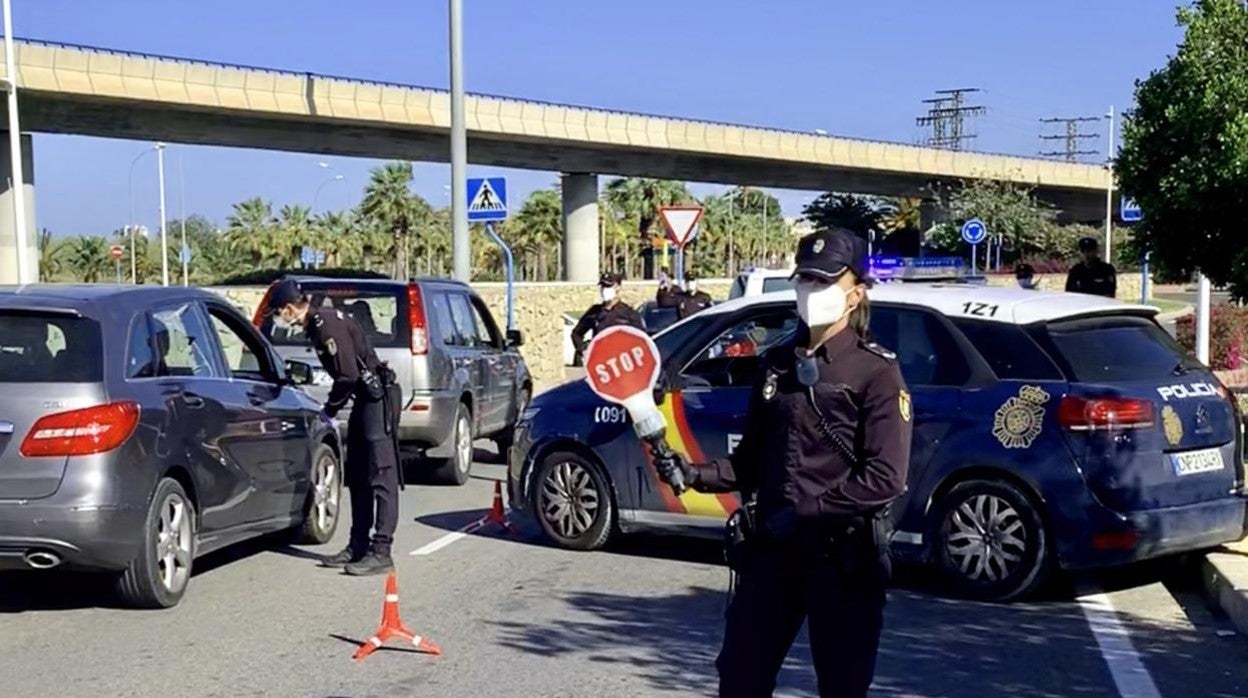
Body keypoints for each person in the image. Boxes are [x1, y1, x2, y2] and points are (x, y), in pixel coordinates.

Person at [654, 228, 912, 698]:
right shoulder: (776, 363)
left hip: (843, 556)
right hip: (773, 552)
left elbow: (885, 477)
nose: (810, 291)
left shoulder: (876, 371)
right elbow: (750, 461)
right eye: (805, 280)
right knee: (740, 677)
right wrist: (694, 474)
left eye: (824, 281)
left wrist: (808, 511)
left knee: (842, 687)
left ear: (854, 294)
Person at [267, 278, 401, 576]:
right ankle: (357, 546)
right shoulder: (318, 323)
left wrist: (328, 410)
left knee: (381, 477)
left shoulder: (325, 324)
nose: (278, 318)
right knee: (358, 476)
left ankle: (381, 550)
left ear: (290, 308)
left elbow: (348, 376)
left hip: (375, 401)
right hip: (364, 401)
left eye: (278, 312)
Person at [571, 272, 643, 365]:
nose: (605, 289)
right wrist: (583, 350)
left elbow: (641, 338)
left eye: (609, 286)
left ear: (618, 287)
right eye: (603, 286)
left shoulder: (629, 314)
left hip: (623, 364)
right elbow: (576, 334)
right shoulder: (594, 312)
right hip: (600, 364)